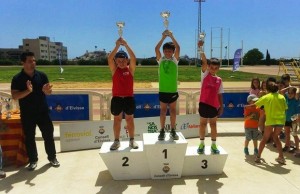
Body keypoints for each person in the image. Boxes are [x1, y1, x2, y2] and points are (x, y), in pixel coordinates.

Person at [11, 51, 59, 171]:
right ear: (23, 63)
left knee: (48, 136)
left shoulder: (42, 75)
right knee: (30, 138)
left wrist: (47, 90)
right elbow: (15, 96)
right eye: (29, 61)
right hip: (28, 114)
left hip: (43, 112)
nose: (33, 63)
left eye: (34, 60)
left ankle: (52, 158)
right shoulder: (17, 78)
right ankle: (33, 160)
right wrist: (28, 91)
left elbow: (49, 92)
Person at [107, 37, 138, 150]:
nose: (121, 63)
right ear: (116, 61)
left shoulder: (130, 69)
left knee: (130, 119)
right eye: (119, 61)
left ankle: (132, 140)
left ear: (127, 60)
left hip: (129, 98)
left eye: (123, 60)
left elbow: (133, 57)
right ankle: (116, 141)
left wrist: (126, 44)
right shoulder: (114, 70)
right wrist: (116, 46)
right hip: (117, 99)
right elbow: (110, 58)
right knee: (117, 120)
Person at [197, 40, 224, 154]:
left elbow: (219, 94)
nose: (213, 69)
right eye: (211, 67)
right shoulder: (205, 75)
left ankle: (213, 145)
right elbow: (204, 60)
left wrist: (221, 106)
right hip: (203, 104)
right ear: (208, 67)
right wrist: (201, 49)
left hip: (214, 106)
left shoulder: (219, 80)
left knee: (213, 125)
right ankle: (201, 144)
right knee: (203, 124)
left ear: (218, 68)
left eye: (216, 68)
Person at [252, 77, 287, 164]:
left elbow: (255, 104)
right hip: (280, 121)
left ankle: (258, 157)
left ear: (267, 89)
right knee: (276, 138)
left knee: (264, 139)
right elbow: (285, 108)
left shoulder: (266, 97)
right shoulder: (282, 97)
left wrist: (247, 106)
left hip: (271, 121)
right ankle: (281, 157)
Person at [155, 29, 180, 141]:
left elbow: (178, 47)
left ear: (173, 52)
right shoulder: (160, 60)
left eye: (170, 51)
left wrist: (171, 35)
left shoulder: (175, 60)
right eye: (166, 51)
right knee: (163, 111)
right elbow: (156, 49)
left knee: (173, 111)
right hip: (163, 90)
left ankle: (173, 130)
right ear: (164, 51)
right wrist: (163, 37)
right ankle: (162, 130)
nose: (167, 52)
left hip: (173, 90)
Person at [282, 87, 300, 153]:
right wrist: (288, 87)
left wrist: (297, 119)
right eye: (289, 93)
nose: (289, 94)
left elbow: (298, 90)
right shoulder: (286, 98)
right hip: (286, 119)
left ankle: (297, 148)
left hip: (293, 119)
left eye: (291, 93)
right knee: (287, 133)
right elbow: (281, 91)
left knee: (294, 134)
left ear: (295, 94)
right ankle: (287, 146)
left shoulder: (296, 100)